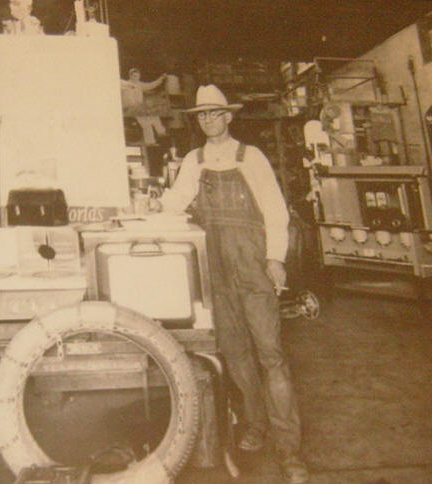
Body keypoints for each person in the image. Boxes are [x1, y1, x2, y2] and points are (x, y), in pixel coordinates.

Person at [152, 84, 308, 483]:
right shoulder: (194, 160)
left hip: (253, 265)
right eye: (201, 115)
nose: (208, 120)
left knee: (271, 354)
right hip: (216, 269)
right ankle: (256, 424)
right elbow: (175, 202)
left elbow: (275, 210)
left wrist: (275, 258)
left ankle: (289, 450)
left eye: (214, 113)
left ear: (228, 116)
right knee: (236, 353)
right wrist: (151, 208)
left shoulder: (250, 157)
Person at [120, 68, 168, 146]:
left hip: (140, 108)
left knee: (154, 117)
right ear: (130, 76)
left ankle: (160, 134)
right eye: (134, 76)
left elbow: (151, 85)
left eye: (137, 76)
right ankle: (152, 140)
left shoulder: (140, 84)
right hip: (131, 108)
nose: (136, 78)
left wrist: (161, 78)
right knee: (146, 124)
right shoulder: (125, 85)